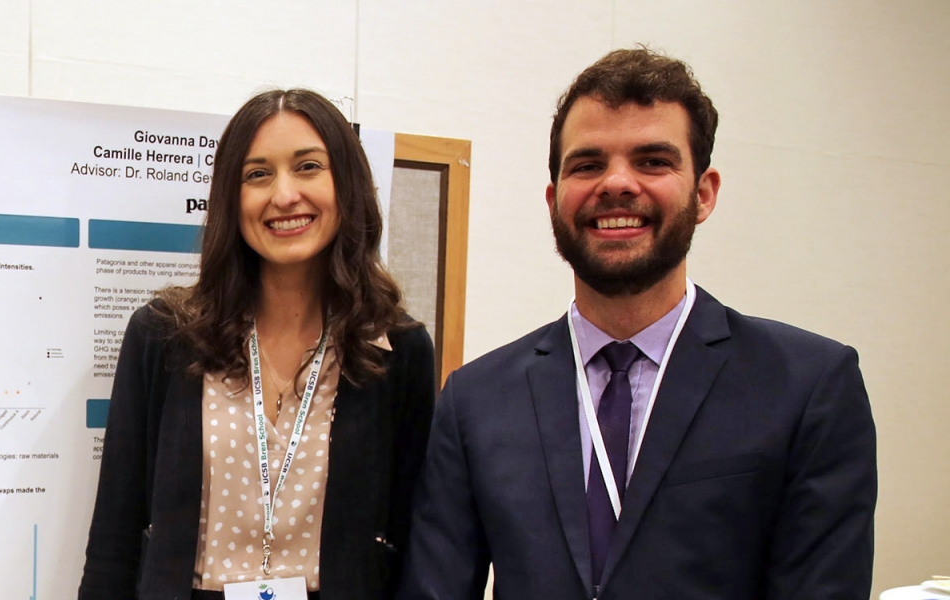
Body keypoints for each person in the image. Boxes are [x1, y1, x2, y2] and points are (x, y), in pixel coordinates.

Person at [399, 48, 876, 600]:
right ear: (555, 200)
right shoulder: (475, 400)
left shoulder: (807, 386)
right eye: (588, 164)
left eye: (652, 161)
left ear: (703, 194)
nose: (617, 184)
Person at [81, 89, 437, 600]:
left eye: (308, 166)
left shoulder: (397, 350)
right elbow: (115, 538)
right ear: (232, 196)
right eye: (257, 174)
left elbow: (413, 542)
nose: (284, 194)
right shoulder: (164, 336)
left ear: (348, 185)